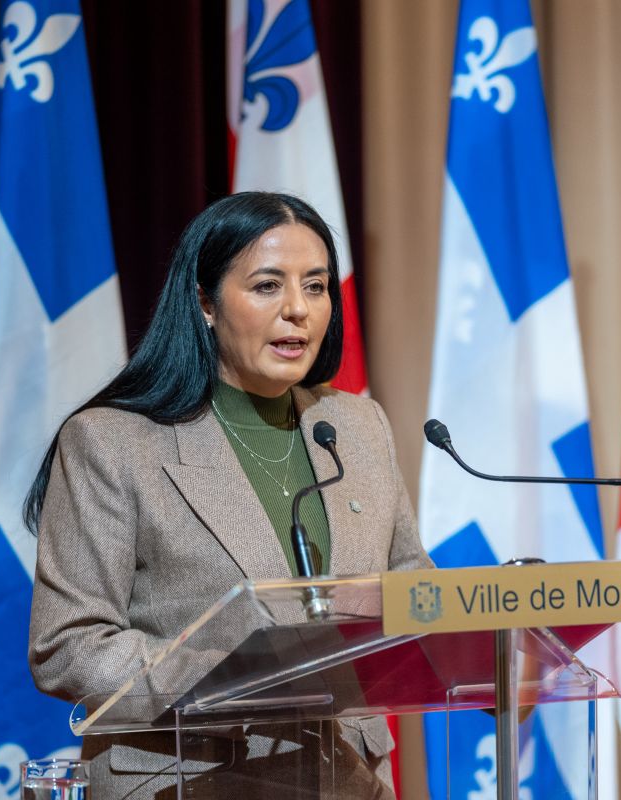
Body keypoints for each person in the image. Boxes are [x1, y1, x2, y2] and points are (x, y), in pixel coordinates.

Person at [25, 192, 432, 798]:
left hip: (347, 779)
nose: (298, 309)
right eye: (268, 286)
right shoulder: (113, 441)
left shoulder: (357, 427)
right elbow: (68, 644)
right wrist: (232, 677)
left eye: (316, 286)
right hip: (187, 779)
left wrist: (492, 625)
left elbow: (410, 586)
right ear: (205, 303)